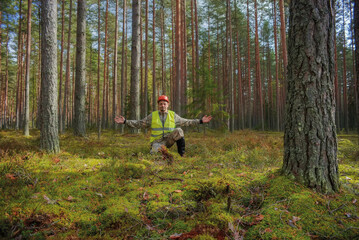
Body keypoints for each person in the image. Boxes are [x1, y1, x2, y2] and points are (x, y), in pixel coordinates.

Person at [114, 95, 213, 156]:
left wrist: (200, 121)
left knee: (179, 130)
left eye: (164, 104)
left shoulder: (172, 115)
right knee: (155, 155)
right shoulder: (152, 116)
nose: (163, 105)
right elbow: (139, 124)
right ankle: (160, 153)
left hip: (168, 140)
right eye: (161, 104)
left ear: (167, 105)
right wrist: (125, 121)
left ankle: (182, 154)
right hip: (157, 142)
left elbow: (186, 121)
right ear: (158, 105)